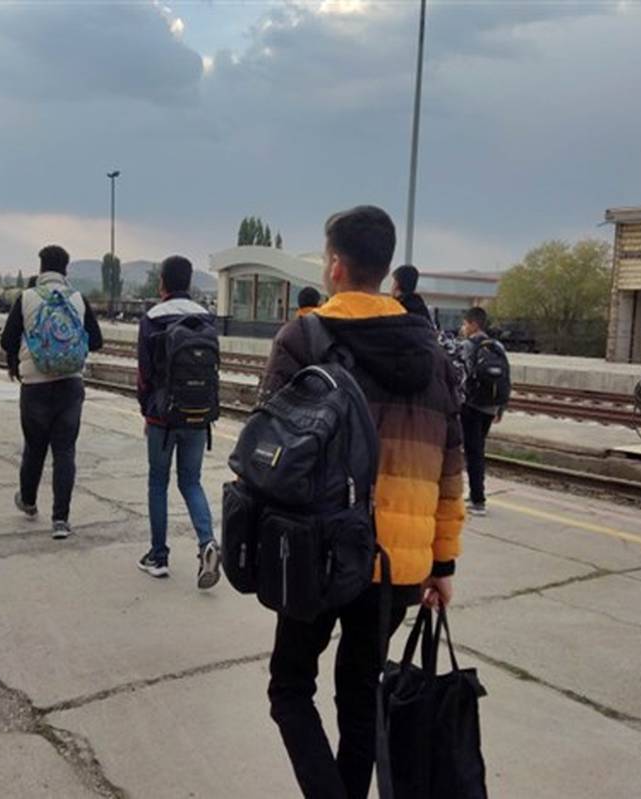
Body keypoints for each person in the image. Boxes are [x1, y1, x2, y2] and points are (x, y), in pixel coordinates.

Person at [258, 205, 464, 799]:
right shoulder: (433, 354)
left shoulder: (304, 338)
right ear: (387, 269)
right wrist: (442, 562)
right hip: (400, 564)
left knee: (290, 688)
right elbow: (451, 471)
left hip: (319, 550)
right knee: (359, 695)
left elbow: (267, 446)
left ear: (336, 265)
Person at [0, 245, 104, 539]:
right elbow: (97, 341)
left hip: (34, 385)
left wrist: (29, 348)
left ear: (41, 267)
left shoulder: (26, 297)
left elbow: (7, 341)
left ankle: (29, 501)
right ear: (66, 269)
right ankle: (61, 520)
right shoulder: (78, 299)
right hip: (70, 384)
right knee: (65, 451)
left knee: (34, 448)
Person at [134, 255, 221, 589]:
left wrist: (147, 410)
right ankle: (207, 543)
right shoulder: (205, 317)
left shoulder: (152, 318)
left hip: (162, 417)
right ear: (189, 282)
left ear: (162, 283)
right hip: (198, 414)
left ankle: (158, 556)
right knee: (191, 481)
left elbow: (144, 374)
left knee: (158, 482)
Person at [458, 306, 506, 516]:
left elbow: (460, 375)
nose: (463, 328)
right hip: (490, 407)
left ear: (474, 324)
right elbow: (505, 378)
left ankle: (478, 500)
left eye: (465, 324)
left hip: (472, 405)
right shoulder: (497, 346)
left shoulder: (468, 345)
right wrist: (501, 407)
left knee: (473, 452)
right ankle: (475, 493)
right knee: (478, 449)